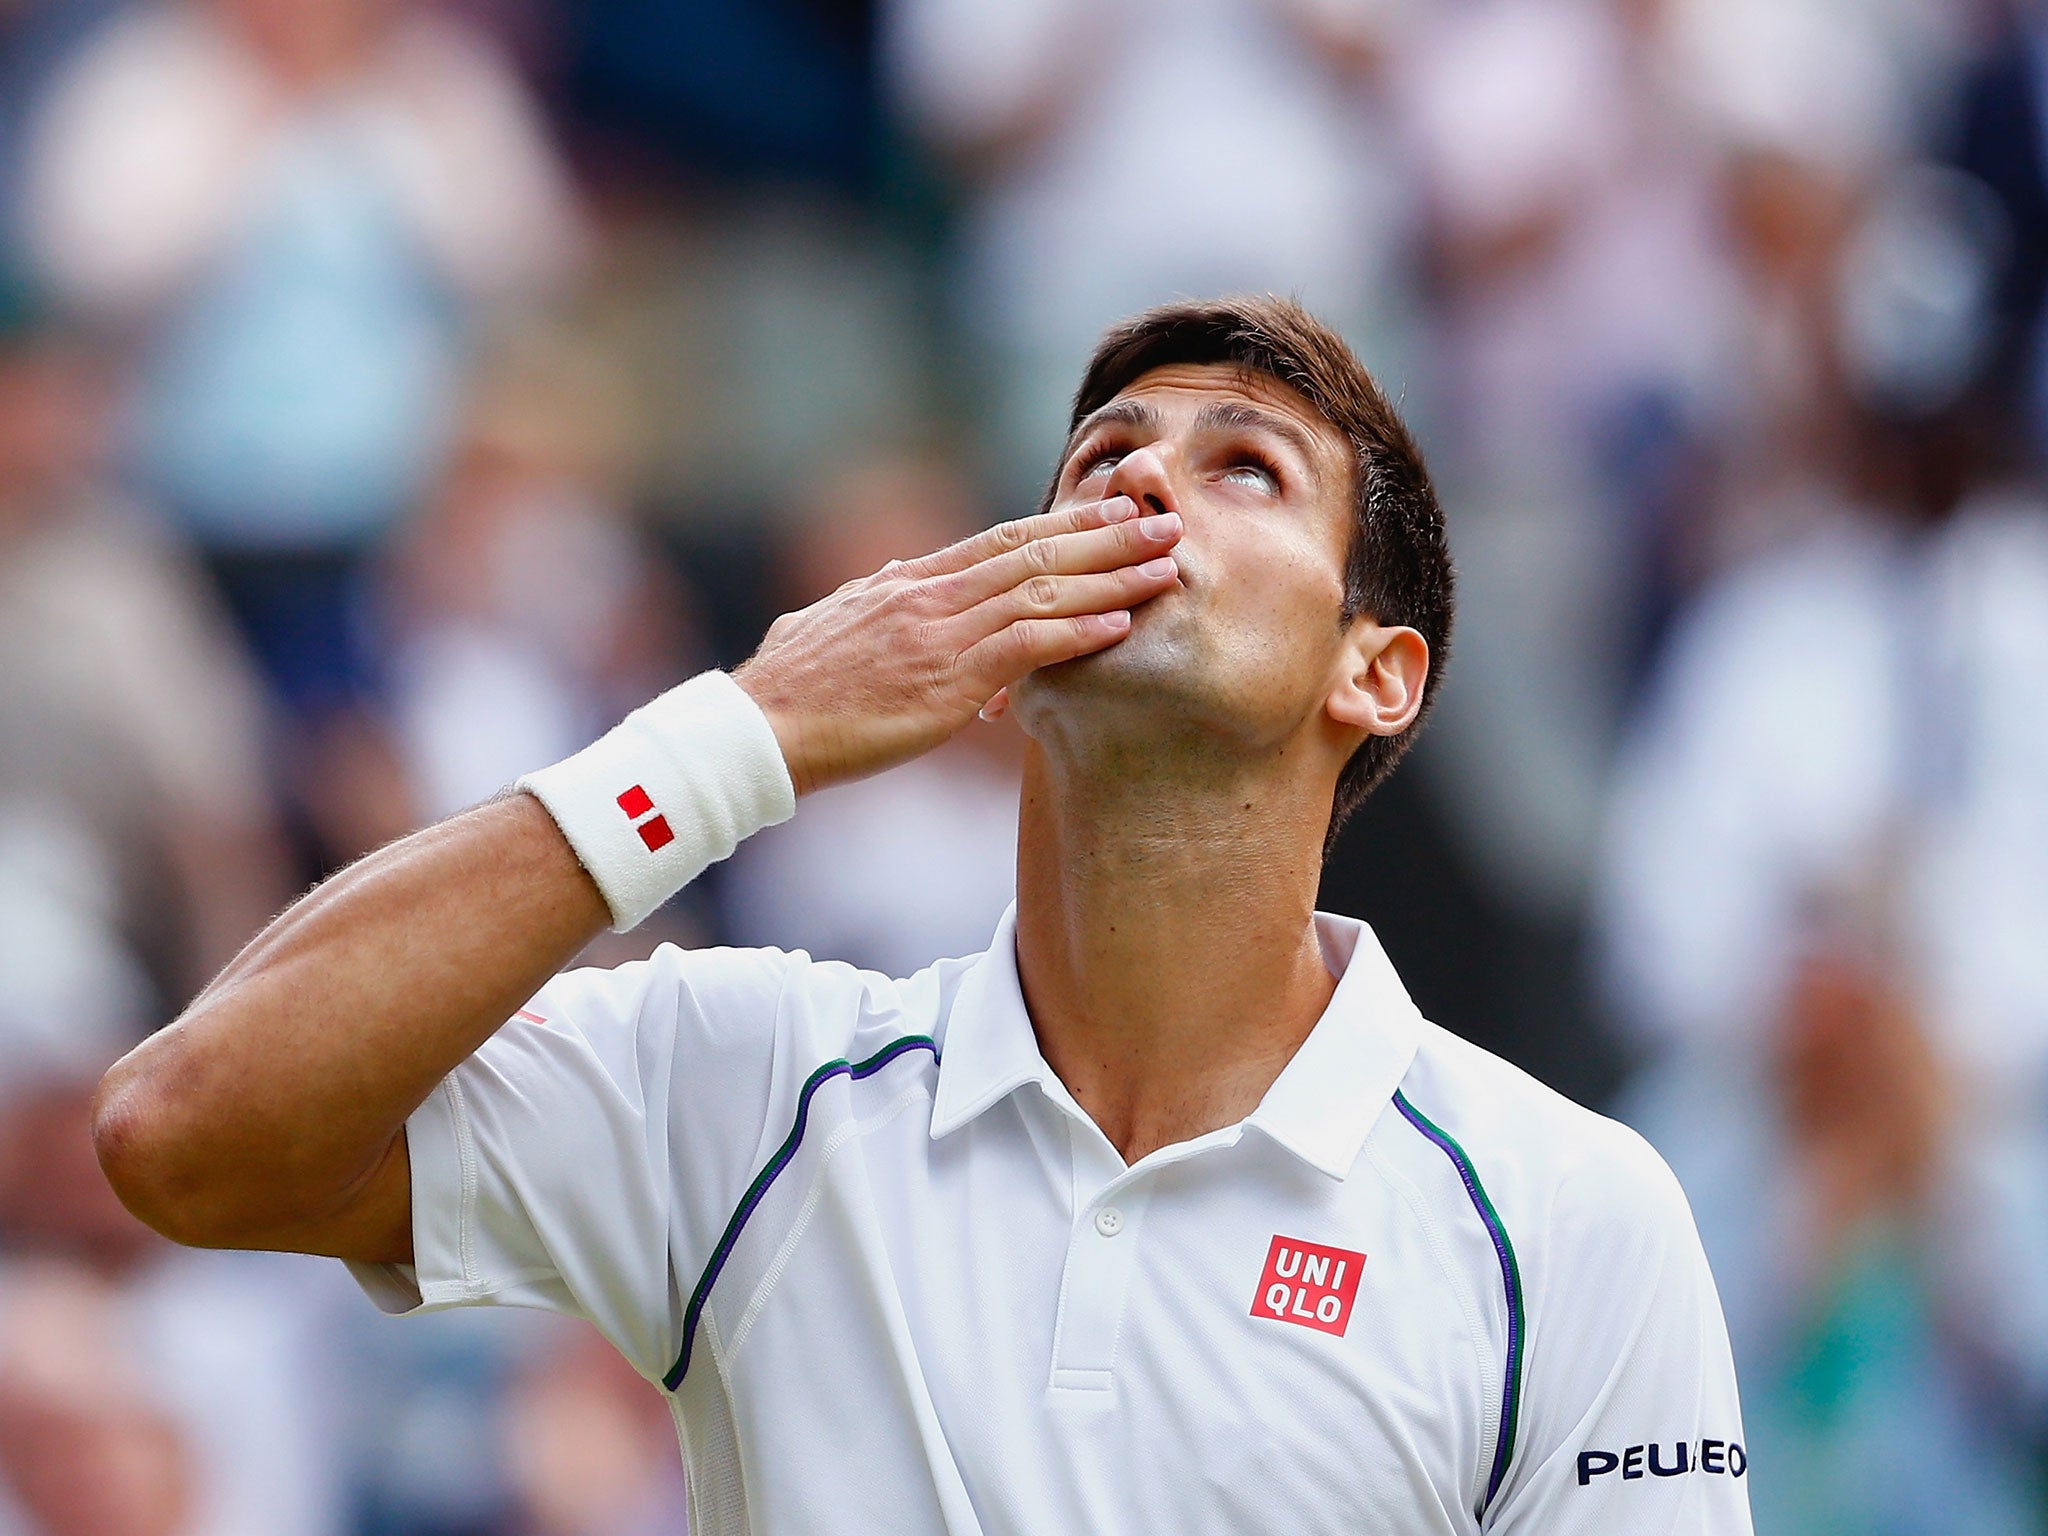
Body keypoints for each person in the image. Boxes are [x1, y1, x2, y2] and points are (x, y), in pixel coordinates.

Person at [93, 296, 1752, 1534]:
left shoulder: (1568, 1213)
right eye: (1102, 457)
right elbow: (186, 1131)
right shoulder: (747, 1083)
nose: (1140, 487)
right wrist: (746, 732)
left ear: (1375, 676)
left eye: (1243, 468)